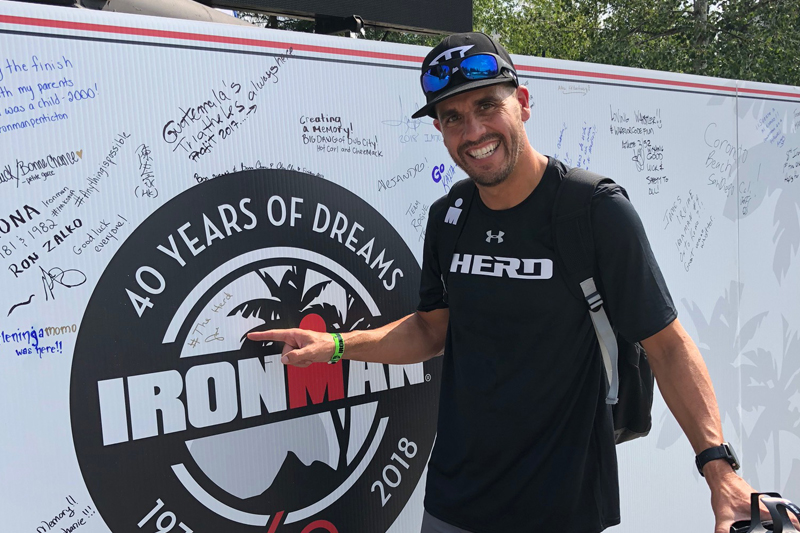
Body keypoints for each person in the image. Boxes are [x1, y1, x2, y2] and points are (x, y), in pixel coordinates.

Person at [249, 32, 759, 533]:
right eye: (453, 117)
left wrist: (720, 472)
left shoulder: (593, 211)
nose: (473, 132)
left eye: (487, 106)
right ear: (440, 129)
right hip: (454, 504)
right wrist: (336, 345)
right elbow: (429, 330)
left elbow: (667, 346)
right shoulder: (449, 217)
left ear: (523, 104)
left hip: (562, 508)